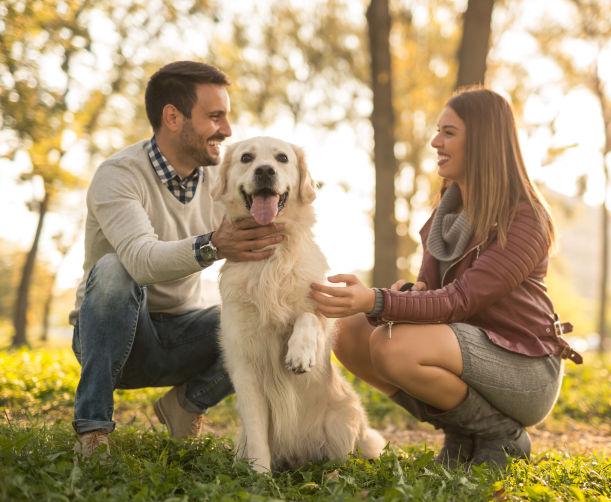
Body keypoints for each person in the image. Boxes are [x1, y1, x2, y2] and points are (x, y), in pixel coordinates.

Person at [310, 87, 582, 468]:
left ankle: (499, 434)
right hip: (466, 352)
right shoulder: (445, 217)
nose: (436, 141)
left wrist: (377, 300)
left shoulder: (524, 218)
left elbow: (460, 300)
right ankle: (463, 430)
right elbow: (434, 295)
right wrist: (401, 296)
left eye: (449, 132)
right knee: (351, 331)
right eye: (439, 131)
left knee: (396, 346)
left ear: (483, 140)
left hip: (524, 366)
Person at [70, 61, 284, 457]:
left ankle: (186, 405)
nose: (227, 130)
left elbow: (268, 238)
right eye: (215, 116)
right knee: (115, 268)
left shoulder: (222, 180)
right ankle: (93, 430)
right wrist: (215, 245)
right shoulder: (119, 174)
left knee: (264, 318)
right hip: (118, 338)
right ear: (173, 117)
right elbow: (141, 261)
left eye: (227, 116)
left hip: (186, 333)